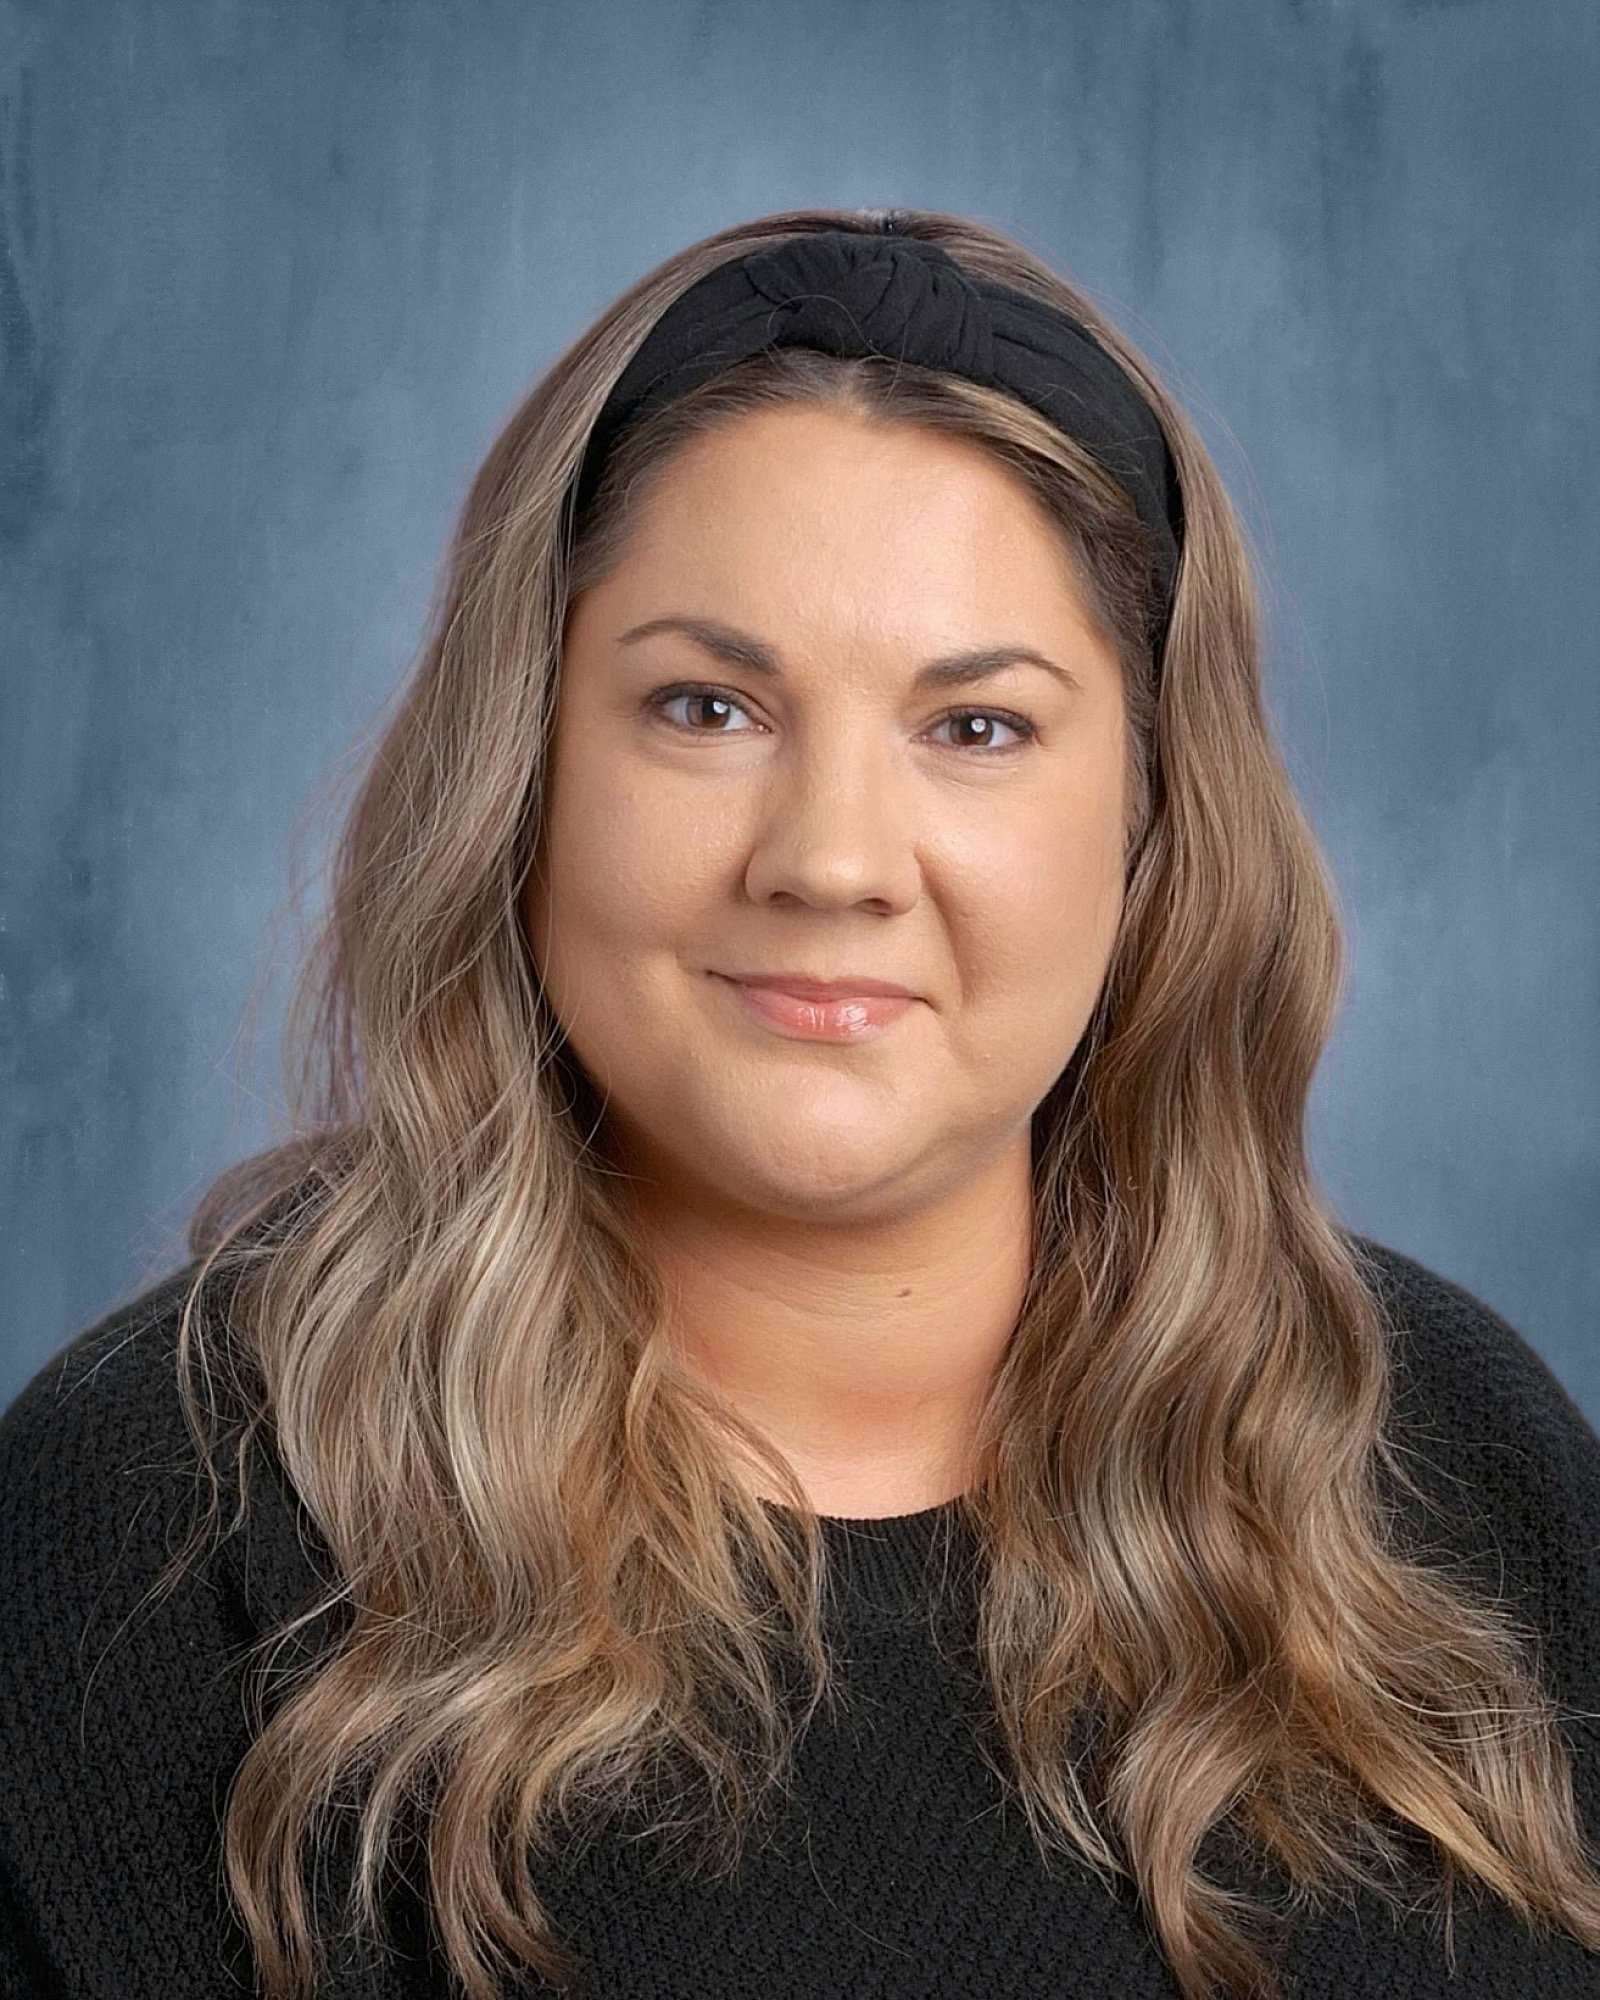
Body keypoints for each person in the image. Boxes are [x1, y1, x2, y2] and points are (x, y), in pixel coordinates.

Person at [3, 205, 1599, 2000]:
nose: (832, 860)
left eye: (976, 728)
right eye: (706, 708)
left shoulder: (1461, 1467)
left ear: (1155, 825)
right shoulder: (139, 1548)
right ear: (525, 768)